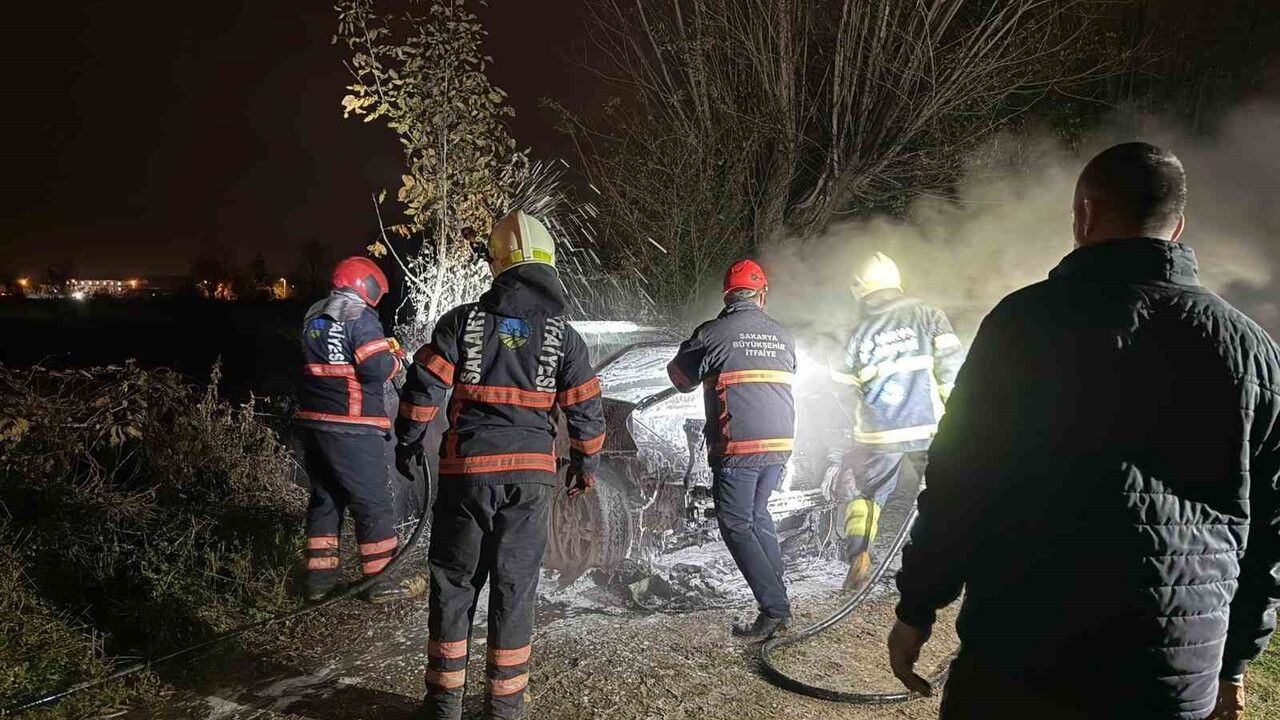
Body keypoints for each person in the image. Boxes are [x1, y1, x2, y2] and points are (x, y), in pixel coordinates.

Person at [888, 142, 1280, 720]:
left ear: (1083, 216)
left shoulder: (1022, 324)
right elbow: (1268, 528)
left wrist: (918, 607)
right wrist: (1235, 662)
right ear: (1178, 227)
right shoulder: (1251, 350)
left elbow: (957, 482)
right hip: (1169, 675)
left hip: (1021, 657)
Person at [397, 210, 605, 720]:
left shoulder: (462, 322)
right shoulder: (564, 337)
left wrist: (407, 440)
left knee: (454, 583)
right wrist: (585, 465)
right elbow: (587, 411)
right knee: (515, 587)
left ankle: (444, 704)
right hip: (532, 480)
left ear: (498, 263)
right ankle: (505, 706)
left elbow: (424, 387)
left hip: (467, 475)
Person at [667, 259, 797, 639]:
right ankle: (778, 598)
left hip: (740, 446)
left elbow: (680, 379)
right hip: (781, 444)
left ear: (727, 294)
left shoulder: (712, 332)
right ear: (762, 294)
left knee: (735, 524)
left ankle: (775, 609)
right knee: (757, 516)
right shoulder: (783, 335)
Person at [828, 252, 963, 591]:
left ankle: (860, 556)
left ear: (861, 288)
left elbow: (843, 388)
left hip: (878, 434)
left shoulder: (857, 330)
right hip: (928, 429)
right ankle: (944, 564)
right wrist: (960, 416)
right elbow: (952, 372)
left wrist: (860, 418)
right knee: (941, 495)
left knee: (864, 494)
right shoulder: (928, 315)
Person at [295, 256, 425, 604]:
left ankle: (318, 582)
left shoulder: (315, 316)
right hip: (351, 427)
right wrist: (397, 358)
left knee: (326, 500)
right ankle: (379, 582)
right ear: (364, 285)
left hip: (314, 423)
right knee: (373, 503)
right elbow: (374, 367)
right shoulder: (360, 316)